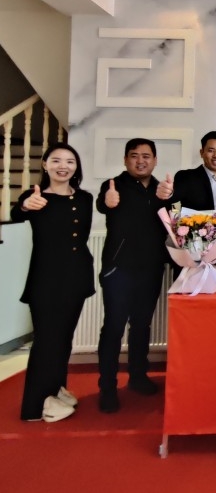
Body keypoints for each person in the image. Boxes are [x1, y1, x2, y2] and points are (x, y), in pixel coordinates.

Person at [10, 143, 94, 422]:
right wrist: (25, 205)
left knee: (63, 340)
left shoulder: (84, 198)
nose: (63, 166)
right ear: (45, 164)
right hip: (46, 280)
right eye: (56, 160)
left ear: (76, 167)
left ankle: (54, 391)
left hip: (77, 278)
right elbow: (18, 213)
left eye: (70, 161)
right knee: (46, 341)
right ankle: (35, 407)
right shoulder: (35, 197)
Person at [95, 138, 169, 413]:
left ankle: (138, 376)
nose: (141, 161)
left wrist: (170, 199)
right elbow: (103, 204)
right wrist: (107, 202)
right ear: (126, 160)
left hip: (150, 269)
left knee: (141, 326)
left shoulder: (162, 189)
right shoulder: (113, 186)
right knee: (113, 327)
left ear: (155, 160)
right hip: (119, 270)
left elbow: (174, 225)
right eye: (135, 156)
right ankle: (107, 387)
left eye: (146, 156)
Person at [156, 131, 216, 273]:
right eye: (211, 150)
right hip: (191, 255)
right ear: (202, 153)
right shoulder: (186, 177)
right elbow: (175, 207)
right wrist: (170, 195)